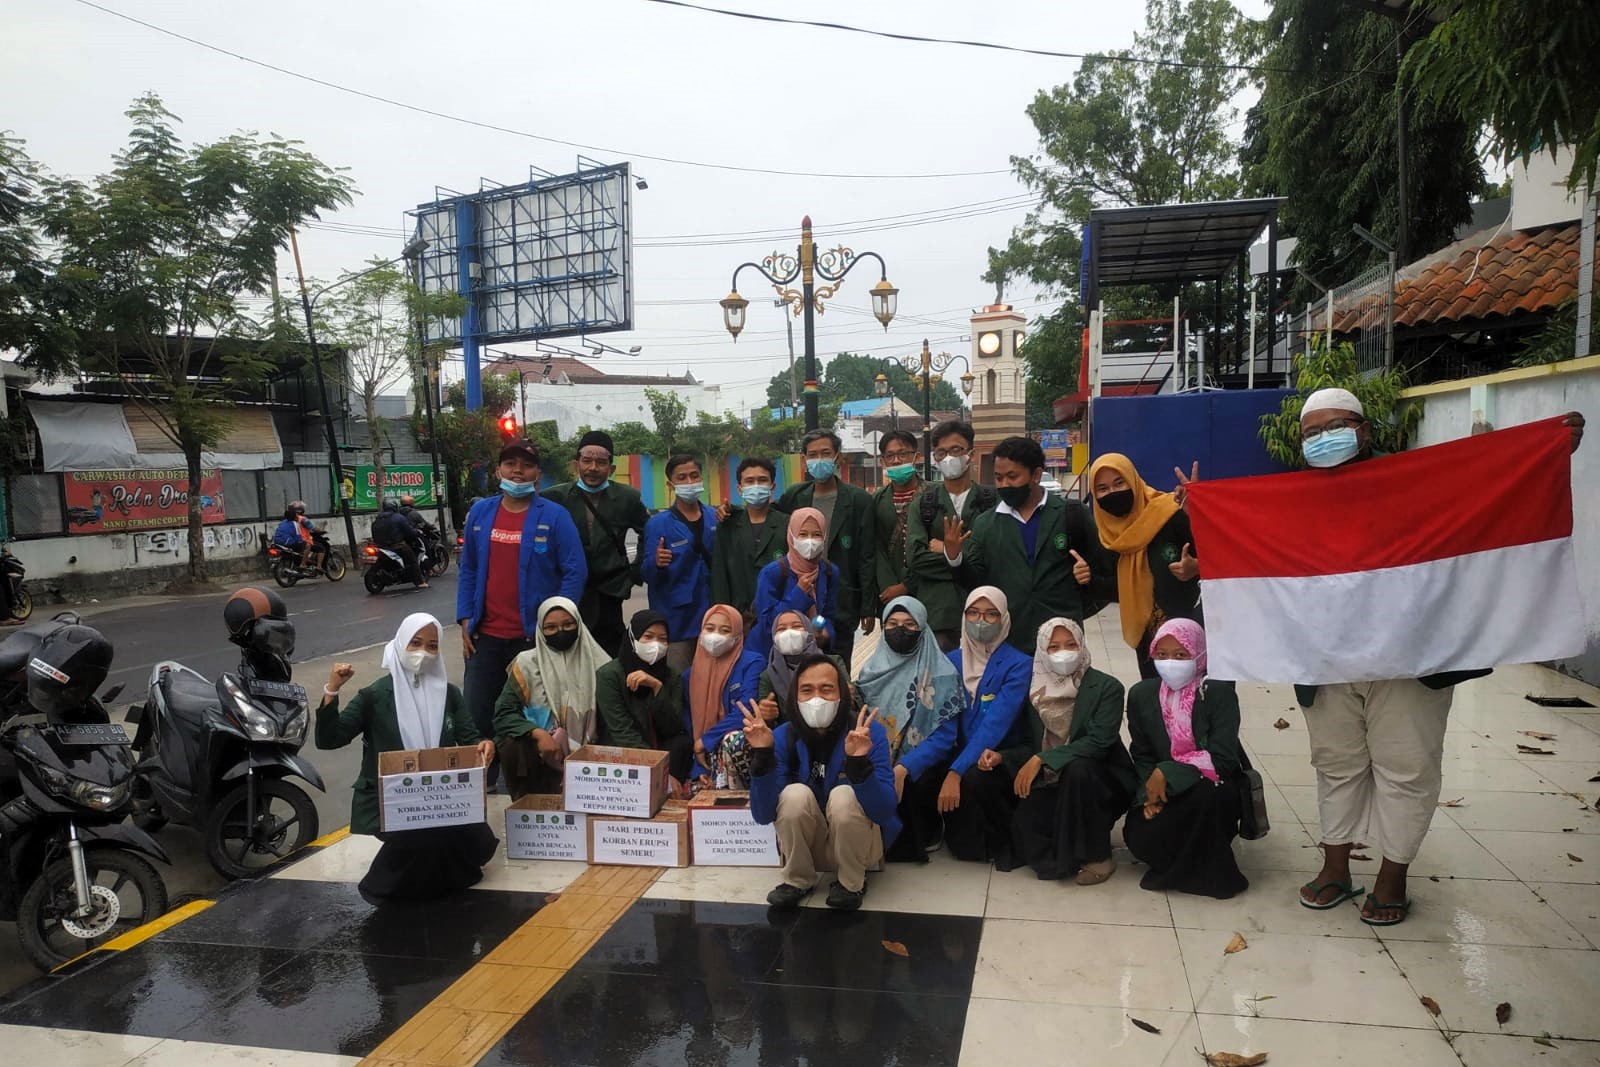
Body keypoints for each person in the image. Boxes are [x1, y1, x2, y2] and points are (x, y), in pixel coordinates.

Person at [1272, 390, 1588, 925]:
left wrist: (1548, 448)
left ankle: (1393, 876)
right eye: (1311, 433)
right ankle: (1335, 867)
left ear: (1365, 431)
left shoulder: (1414, 482)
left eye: (1337, 426)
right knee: (1336, 764)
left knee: (1407, 767)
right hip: (1326, 662)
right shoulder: (1291, 498)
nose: (1323, 439)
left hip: (1411, 659)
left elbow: (1487, 486)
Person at [315, 613, 498, 901]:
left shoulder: (449, 694)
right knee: (424, 835)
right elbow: (329, 739)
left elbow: (471, 738)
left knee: (478, 840)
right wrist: (332, 690)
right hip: (391, 802)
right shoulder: (375, 695)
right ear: (400, 643)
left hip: (442, 796)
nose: (423, 652)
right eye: (415, 643)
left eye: (432, 646)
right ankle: (382, 887)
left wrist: (484, 745)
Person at [457, 439, 588, 786]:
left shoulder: (554, 516)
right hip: (485, 637)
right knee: (478, 715)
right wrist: (465, 618)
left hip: (533, 643)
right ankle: (480, 786)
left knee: (535, 719)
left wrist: (559, 623)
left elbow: (574, 570)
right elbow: (468, 568)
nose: (518, 471)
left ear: (538, 476)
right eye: (510, 464)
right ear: (498, 470)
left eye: (526, 466)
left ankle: (528, 787)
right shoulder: (481, 513)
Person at [745, 654, 899, 911]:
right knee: (794, 794)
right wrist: (763, 756)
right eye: (806, 690)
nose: (817, 698)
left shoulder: (867, 734)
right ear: (794, 696)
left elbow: (884, 811)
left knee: (843, 795)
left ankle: (852, 883)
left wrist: (860, 764)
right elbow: (762, 815)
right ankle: (797, 879)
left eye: (827, 689)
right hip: (809, 846)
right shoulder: (783, 736)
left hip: (859, 846)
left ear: (842, 694)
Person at [896, 586, 1032, 865]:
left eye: (991, 614)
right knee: (916, 772)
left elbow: (995, 725)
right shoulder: (951, 661)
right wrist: (910, 765)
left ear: (1004, 619)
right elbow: (944, 723)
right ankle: (929, 832)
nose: (980, 621)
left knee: (974, 782)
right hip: (958, 750)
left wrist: (955, 772)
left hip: (998, 755)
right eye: (973, 613)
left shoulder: (1019, 665)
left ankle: (994, 839)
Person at [1122, 619, 1248, 900]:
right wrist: (1148, 796)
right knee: (1139, 835)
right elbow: (1141, 755)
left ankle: (1202, 874)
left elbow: (1224, 759)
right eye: (1162, 655)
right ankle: (1180, 865)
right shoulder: (1142, 694)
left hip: (1210, 784)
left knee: (1205, 800)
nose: (1170, 663)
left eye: (1181, 655)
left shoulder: (1217, 693)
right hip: (1160, 789)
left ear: (1201, 655)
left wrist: (1169, 772)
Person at [1005, 618, 1135, 884]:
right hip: (1054, 781)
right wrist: (1003, 758)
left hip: (1101, 780)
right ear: (1042, 651)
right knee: (1025, 823)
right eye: (1053, 646)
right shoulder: (1033, 691)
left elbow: (1099, 742)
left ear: (1082, 645)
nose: (1063, 652)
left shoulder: (1107, 687)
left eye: (1071, 644)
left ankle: (1099, 856)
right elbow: (1028, 741)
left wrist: (1043, 759)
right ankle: (1069, 855)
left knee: (1079, 768)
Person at [942, 436, 1097, 652]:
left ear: (1035, 475)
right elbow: (974, 582)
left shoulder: (1071, 514)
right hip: (1009, 639)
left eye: (1012, 476)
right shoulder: (986, 524)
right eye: (998, 478)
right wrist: (954, 557)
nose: (1004, 484)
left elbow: (1102, 572)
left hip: (1062, 639)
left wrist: (1083, 588)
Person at [852, 595, 966, 861]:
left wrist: (904, 767)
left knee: (917, 782)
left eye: (909, 624)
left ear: (923, 629)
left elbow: (944, 738)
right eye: (892, 623)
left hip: (922, 760)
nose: (900, 630)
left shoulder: (942, 673)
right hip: (879, 754)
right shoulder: (871, 671)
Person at [1081, 453, 1201, 679]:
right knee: (1154, 701)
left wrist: (1197, 566)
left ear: (1133, 480)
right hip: (1150, 642)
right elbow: (1119, 590)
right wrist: (1088, 580)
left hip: (1191, 630)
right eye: (1102, 489)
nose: (1113, 493)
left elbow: (1219, 557)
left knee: (1197, 707)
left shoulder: (1171, 512)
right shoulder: (1109, 537)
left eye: (1119, 482)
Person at [542, 430, 650, 657]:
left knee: (610, 652)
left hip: (609, 590)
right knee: (568, 648)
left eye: (601, 462)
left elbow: (648, 531)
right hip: (570, 589)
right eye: (587, 461)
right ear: (576, 464)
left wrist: (635, 569)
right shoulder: (555, 497)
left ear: (611, 469)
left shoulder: (628, 497)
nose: (593, 468)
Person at [492, 596, 610, 799]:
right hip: (544, 754)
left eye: (568, 624)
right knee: (511, 744)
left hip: (593, 751)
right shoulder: (527, 663)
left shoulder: (601, 664)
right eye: (551, 628)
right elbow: (503, 714)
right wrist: (538, 734)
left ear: (579, 624)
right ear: (540, 630)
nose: (560, 632)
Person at [777, 429, 877, 664]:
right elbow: (769, 520)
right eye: (813, 454)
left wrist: (867, 606)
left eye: (825, 453)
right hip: (800, 598)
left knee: (838, 666)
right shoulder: (794, 497)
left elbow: (866, 556)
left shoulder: (858, 500)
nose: (819, 459)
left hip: (840, 602)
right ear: (804, 460)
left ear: (837, 457)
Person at [905, 420, 996, 652]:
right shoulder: (924, 503)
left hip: (985, 610)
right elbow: (916, 559)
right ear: (934, 458)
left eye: (956, 450)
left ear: (971, 454)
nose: (949, 458)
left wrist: (946, 550)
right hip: (939, 614)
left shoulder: (991, 501)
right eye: (941, 452)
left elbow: (995, 557)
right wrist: (963, 558)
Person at [595, 610, 694, 785]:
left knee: (682, 742)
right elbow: (622, 731)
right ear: (633, 638)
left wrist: (657, 688)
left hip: (661, 750)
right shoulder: (609, 675)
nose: (656, 645)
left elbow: (673, 726)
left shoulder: (672, 675)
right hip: (624, 753)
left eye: (663, 639)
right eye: (648, 637)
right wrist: (658, 772)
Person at [642, 453, 718, 672]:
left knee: (711, 680)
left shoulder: (715, 518)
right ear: (670, 484)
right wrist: (656, 563)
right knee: (678, 682)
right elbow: (646, 573)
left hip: (712, 617)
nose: (689, 482)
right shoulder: (658, 524)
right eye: (682, 478)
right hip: (676, 621)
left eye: (694, 476)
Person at [684, 604, 766, 788]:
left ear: (737, 635)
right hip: (703, 755)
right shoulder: (690, 676)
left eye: (725, 630)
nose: (715, 636)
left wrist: (705, 741)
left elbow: (745, 711)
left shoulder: (752, 662)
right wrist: (700, 769)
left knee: (733, 740)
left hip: (739, 748)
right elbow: (691, 726)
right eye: (710, 628)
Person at [752, 508, 838, 656]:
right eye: (803, 534)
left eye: (816, 534)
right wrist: (799, 593)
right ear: (791, 536)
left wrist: (826, 634)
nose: (809, 541)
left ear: (824, 537)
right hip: (771, 656)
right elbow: (767, 624)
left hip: (810, 654)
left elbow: (828, 615)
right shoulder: (772, 573)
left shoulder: (829, 572)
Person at [710, 457, 789, 618]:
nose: (756, 486)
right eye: (749, 481)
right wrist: (723, 615)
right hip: (739, 617)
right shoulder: (727, 525)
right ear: (740, 489)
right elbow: (720, 577)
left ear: (772, 487)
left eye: (762, 480)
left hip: (780, 616)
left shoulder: (787, 524)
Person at [869, 430, 923, 627]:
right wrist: (889, 586)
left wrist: (907, 585)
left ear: (916, 457)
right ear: (882, 462)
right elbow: (875, 547)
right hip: (889, 596)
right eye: (889, 456)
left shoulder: (934, 495)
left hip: (927, 592)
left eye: (903, 454)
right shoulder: (876, 500)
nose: (896, 460)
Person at [372, 498, 428, 590]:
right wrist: (417, 532)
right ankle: (420, 582)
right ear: (395, 506)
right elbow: (409, 530)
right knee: (412, 559)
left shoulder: (378, 518)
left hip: (380, 546)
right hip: (396, 545)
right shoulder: (398, 517)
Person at [271, 505, 312, 569]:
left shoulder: (283, 522)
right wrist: (302, 541)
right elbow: (298, 537)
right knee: (307, 545)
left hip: (276, 541)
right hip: (287, 542)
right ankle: (303, 564)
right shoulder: (295, 524)